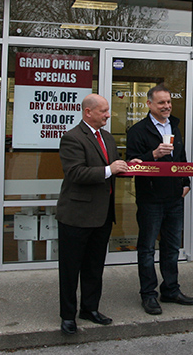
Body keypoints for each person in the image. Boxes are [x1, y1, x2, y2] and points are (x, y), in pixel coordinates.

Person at [56, 93, 132, 335]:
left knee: (94, 267)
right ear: (88, 112)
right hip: (77, 216)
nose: (108, 115)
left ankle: (90, 309)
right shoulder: (72, 137)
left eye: (108, 110)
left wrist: (133, 165)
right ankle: (68, 316)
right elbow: (75, 173)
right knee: (70, 270)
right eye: (103, 111)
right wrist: (109, 169)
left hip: (102, 215)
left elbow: (116, 167)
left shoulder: (107, 138)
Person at [126, 84, 193, 315]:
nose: (167, 106)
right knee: (147, 248)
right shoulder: (138, 131)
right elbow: (132, 164)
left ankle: (171, 289)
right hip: (151, 199)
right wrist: (153, 155)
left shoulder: (175, 126)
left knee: (172, 247)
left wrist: (186, 182)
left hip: (175, 197)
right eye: (161, 103)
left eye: (169, 102)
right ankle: (148, 294)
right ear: (149, 104)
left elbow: (182, 158)